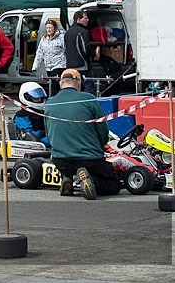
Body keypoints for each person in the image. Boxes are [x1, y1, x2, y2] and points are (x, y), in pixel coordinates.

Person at [44, 69, 121, 200]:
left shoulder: (50, 103)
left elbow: (49, 133)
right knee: (113, 184)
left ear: (61, 83)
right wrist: (101, 146)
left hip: (60, 159)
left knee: (69, 166)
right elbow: (103, 130)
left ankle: (68, 177)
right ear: (78, 83)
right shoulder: (88, 99)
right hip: (89, 158)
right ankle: (90, 180)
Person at [65, 11, 99, 96]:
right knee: (90, 87)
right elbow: (85, 48)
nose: (88, 20)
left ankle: (75, 101)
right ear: (78, 20)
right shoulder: (82, 31)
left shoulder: (68, 32)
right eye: (85, 18)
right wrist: (94, 54)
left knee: (75, 87)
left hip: (70, 65)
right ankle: (87, 102)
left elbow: (65, 49)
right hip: (82, 65)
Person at [32, 19, 66, 96]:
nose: (49, 30)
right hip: (48, 66)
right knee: (51, 83)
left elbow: (66, 50)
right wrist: (35, 66)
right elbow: (40, 53)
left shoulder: (61, 38)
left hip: (59, 65)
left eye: (50, 28)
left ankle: (54, 99)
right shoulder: (44, 39)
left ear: (55, 28)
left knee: (54, 85)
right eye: (47, 28)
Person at [14, 82, 49, 147]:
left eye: (40, 98)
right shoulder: (22, 116)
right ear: (27, 97)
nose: (39, 100)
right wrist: (44, 132)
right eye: (35, 98)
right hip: (37, 142)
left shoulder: (42, 112)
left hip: (47, 137)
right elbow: (29, 134)